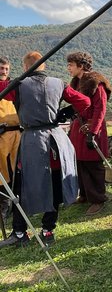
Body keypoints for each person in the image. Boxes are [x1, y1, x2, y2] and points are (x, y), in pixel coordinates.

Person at [0, 51, 90, 247]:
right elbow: (85, 102)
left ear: (25, 67)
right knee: (54, 184)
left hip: (33, 140)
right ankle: (48, 229)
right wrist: (65, 113)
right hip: (55, 140)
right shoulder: (59, 83)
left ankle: (19, 232)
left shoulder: (18, 85)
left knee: (22, 185)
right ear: (44, 66)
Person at [67, 51, 112, 215]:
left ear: (81, 65)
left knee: (93, 164)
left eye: (71, 65)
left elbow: (100, 109)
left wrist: (93, 132)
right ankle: (85, 195)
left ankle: (98, 199)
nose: (68, 68)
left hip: (93, 127)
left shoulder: (96, 83)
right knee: (80, 162)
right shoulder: (76, 83)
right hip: (79, 128)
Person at [0, 56, 21, 226]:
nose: (4, 72)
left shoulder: (15, 87)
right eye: (1, 68)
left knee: (17, 170)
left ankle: (19, 206)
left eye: (6, 68)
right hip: (1, 135)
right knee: (2, 173)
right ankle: (4, 206)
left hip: (17, 134)